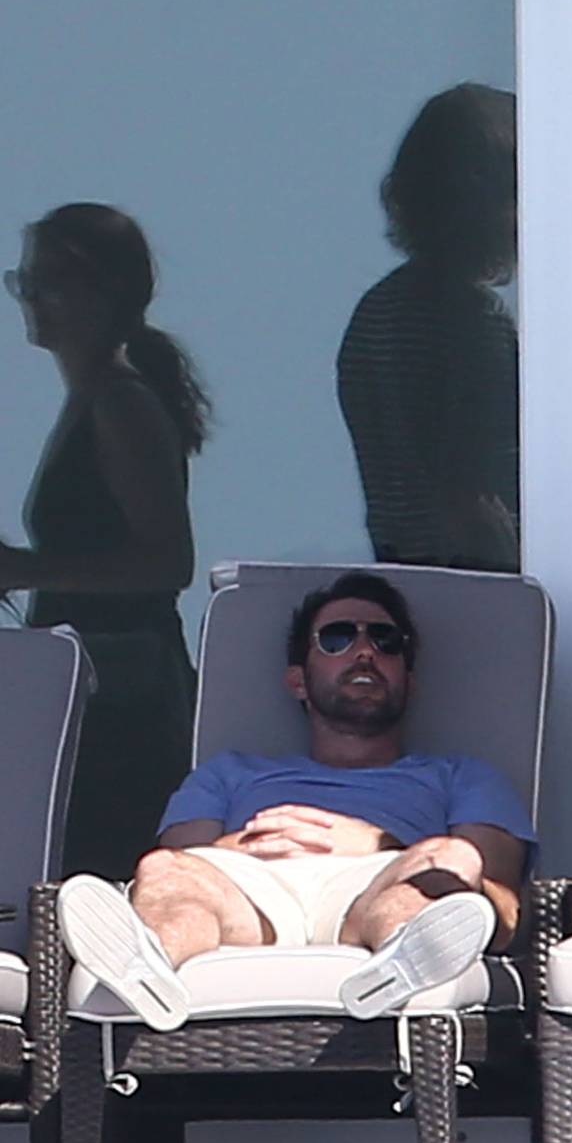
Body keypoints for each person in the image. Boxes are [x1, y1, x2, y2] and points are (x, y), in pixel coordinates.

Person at [56, 570, 534, 1031]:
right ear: (298, 681)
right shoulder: (228, 773)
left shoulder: (465, 777)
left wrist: (379, 844)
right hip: (255, 889)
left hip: (377, 885)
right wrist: (257, 842)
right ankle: (148, 968)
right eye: (337, 638)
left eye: (386, 641)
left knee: (451, 857)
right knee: (165, 871)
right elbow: (182, 862)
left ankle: (398, 967)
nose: (365, 651)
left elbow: (503, 911)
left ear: (409, 681)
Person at [1, 203, 208, 878]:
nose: (33, 298)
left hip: (125, 703)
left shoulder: (121, 403)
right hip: (100, 690)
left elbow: (168, 561)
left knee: (101, 872)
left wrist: (26, 569)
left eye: (50, 282)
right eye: (27, 282)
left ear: (104, 292)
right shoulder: (99, 397)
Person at [337, 83, 519, 572]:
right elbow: (470, 488)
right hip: (472, 575)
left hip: (405, 572)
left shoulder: (377, 311)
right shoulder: (470, 319)